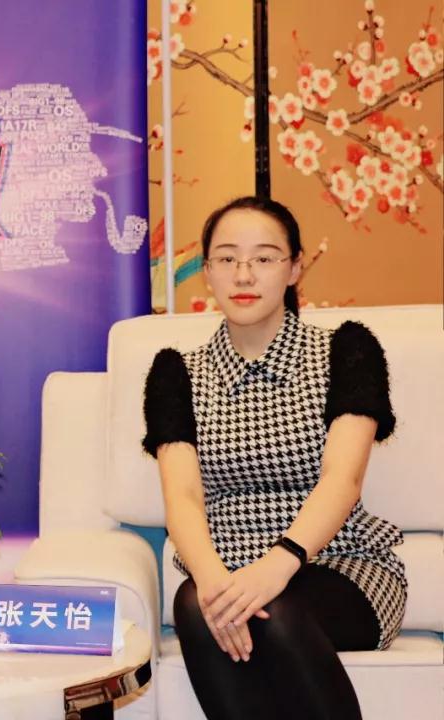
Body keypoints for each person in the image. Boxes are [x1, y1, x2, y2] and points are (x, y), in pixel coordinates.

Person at [141, 196, 406, 719]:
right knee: (198, 605)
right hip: (225, 567)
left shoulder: (347, 352)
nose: (244, 274)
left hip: (341, 565)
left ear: (295, 267)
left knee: (272, 612)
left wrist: (276, 566)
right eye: (227, 258)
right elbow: (184, 497)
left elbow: (343, 480)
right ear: (207, 271)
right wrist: (215, 582)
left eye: (264, 258)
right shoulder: (176, 373)